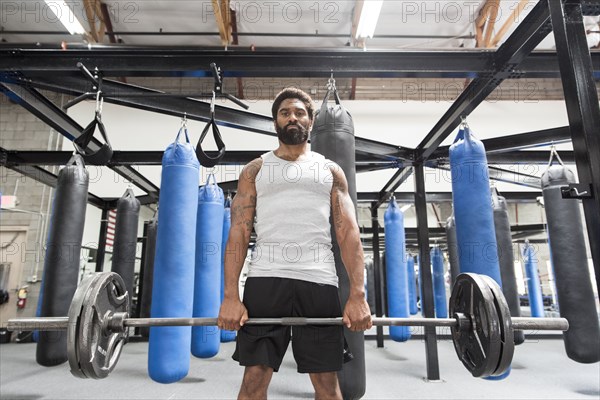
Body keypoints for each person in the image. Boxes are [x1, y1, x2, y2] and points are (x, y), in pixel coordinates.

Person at [217, 87, 372, 400]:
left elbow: (348, 234)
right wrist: (231, 295)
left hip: (319, 281)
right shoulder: (255, 170)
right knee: (253, 382)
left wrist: (357, 294)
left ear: (311, 121)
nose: (292, 117)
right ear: (275, 122)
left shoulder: (330, 170)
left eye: (299, 112)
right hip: (265, 280)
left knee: (328, 386)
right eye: (285, 112)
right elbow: (239, 233)